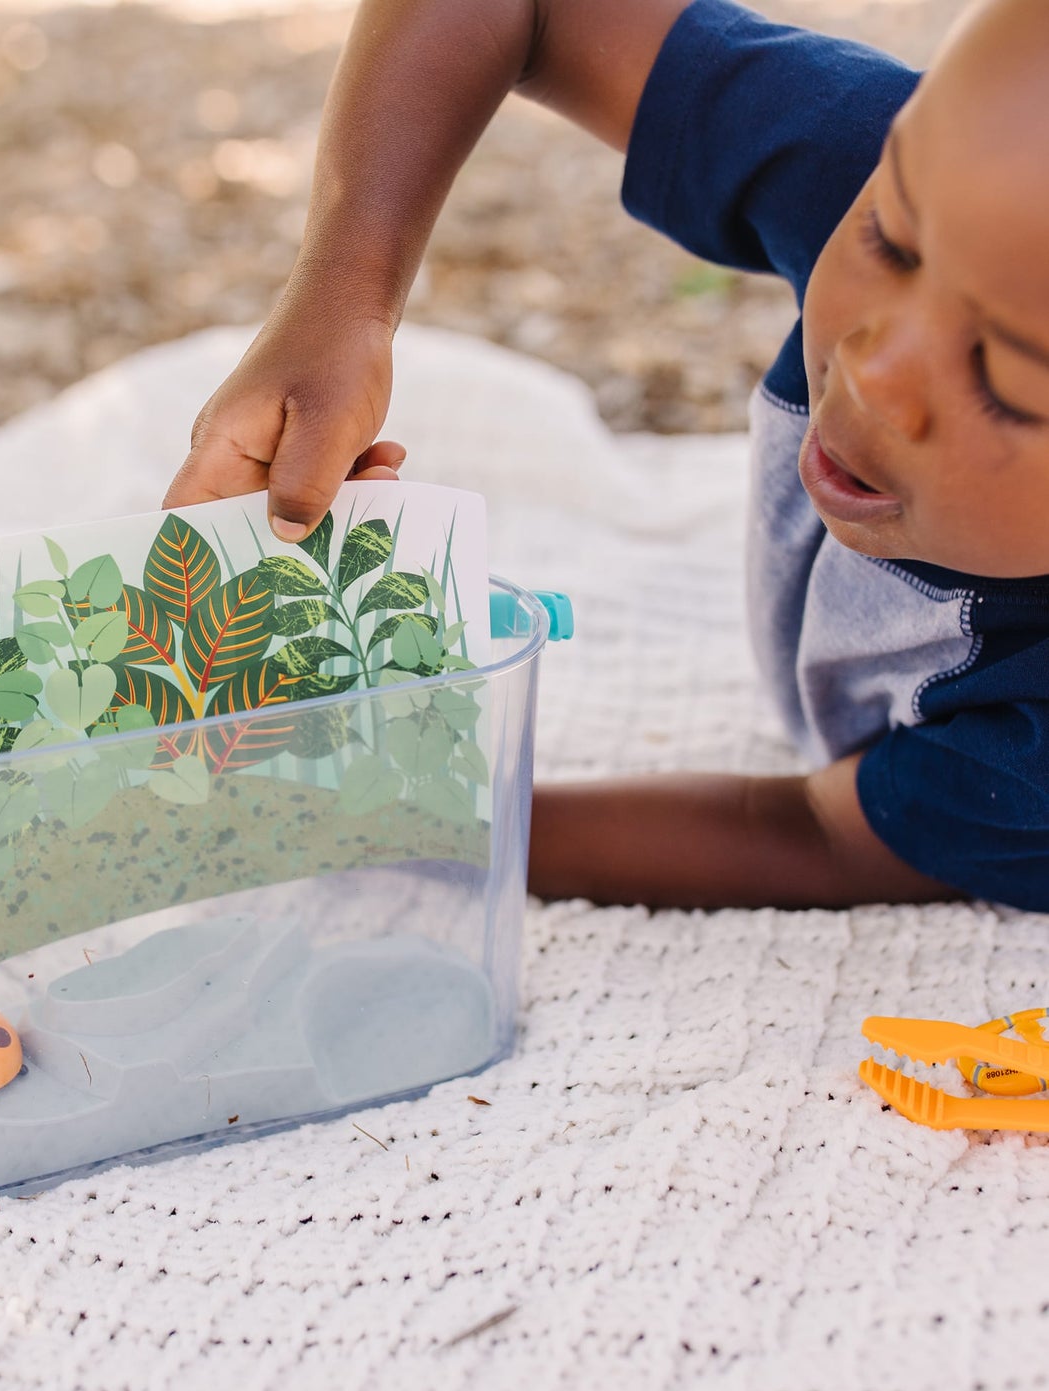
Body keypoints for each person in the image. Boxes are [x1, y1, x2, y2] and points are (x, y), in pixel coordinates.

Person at [163, 0, 1049, 912]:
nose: (870, 368)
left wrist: (386, 812)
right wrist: (343, 297)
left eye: (1004, 379)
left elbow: (820, 833)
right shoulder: (956, 171)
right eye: (890, 240)